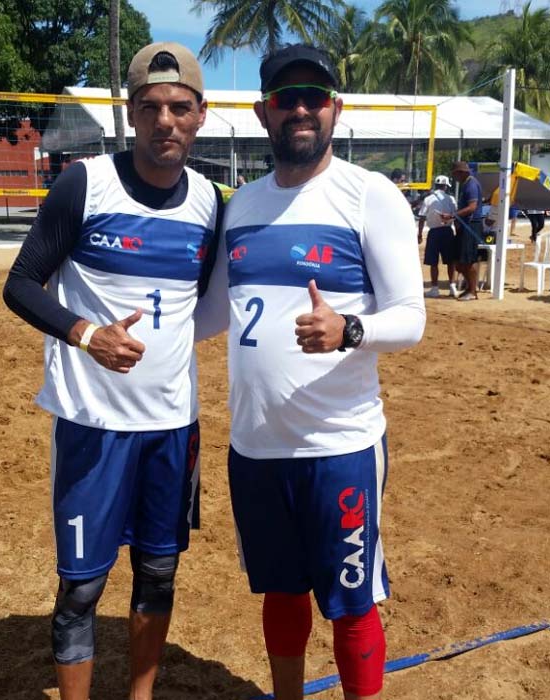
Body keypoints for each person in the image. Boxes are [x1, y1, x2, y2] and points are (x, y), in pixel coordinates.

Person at [196, 43, 425, 700]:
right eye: (285, 98)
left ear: (335, 109)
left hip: (339, 447)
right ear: (262, 112)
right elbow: (214, 312)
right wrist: (123, 331)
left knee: (351, 604)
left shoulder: (369, 196)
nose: (300, 109)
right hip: (255, 448)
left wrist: (349, 329)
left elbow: (411, 318)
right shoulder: (240, 206)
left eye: (314, 97)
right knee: (281, 592)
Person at [3, 42, 222, 700]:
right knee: (82, 586)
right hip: (92, 427)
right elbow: (20, 284)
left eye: (179, 108)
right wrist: (87, 335)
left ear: (200, 114)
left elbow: (197, 306)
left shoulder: (209, 201)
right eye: (150, 107)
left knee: (158, 572)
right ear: (130, 113)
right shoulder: (85, 183)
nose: (165, 121)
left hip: (172, 428)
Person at [442, 160, 484, 301]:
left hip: (471, 226)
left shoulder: (471, 185)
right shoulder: (467, 184)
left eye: (454, 174)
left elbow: (472, 207)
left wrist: (453, 215)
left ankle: (472, 291)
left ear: (461, 173)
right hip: (465, 225)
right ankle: (470, 288)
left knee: (468, 260)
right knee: (459, 262)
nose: (454, 177)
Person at [418, 175, 458, 297]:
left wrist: (419, 233)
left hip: (434, 232)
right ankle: (452, 286)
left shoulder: (428, 199)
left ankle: (435, 288)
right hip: (447, 231)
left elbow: (422, 217)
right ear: (445, 186)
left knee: (433, 262)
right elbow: (456, 216)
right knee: (450, 261)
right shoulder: (451, 199)